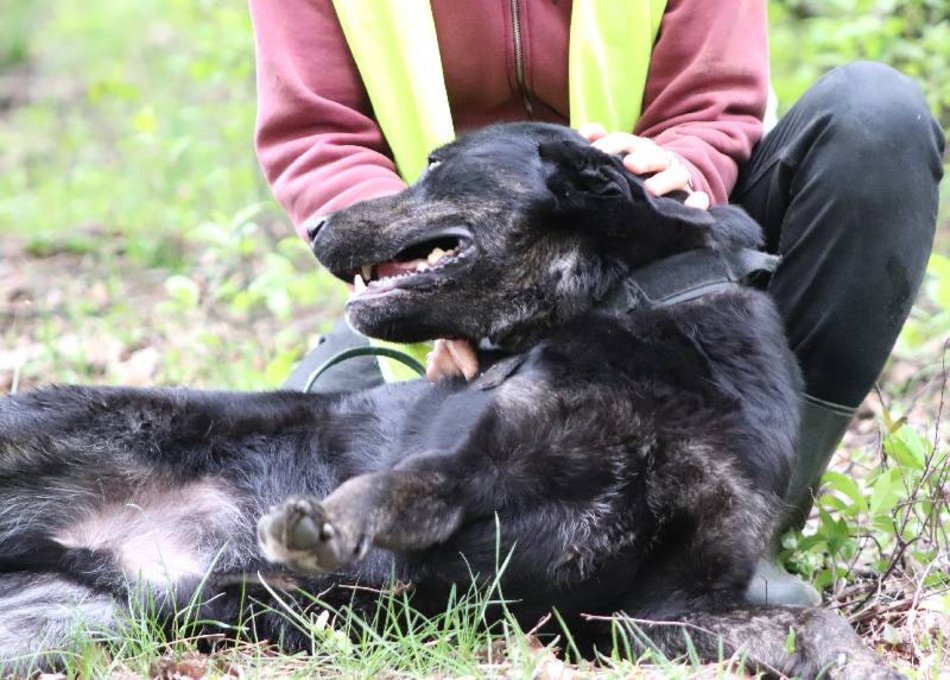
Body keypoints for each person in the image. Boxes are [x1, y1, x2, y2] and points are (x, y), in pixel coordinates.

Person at [248, 0, 945, 605]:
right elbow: (318, 133)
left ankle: (736, 533)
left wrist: (686, 159)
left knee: (874, 118)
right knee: (275, 481)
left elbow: (712, 100)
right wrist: (424, 278)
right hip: (453, 274)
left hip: (662, 270)